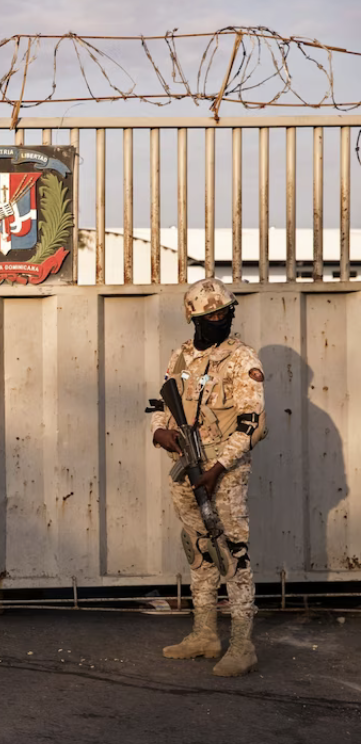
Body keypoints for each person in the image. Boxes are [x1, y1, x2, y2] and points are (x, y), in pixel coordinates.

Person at [150, 278, 267, 677]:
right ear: (194, 319)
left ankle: (241, 644)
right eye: (211, 315)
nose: (220, 320)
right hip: (186, 464)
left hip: (224, 470)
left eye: (225, 313)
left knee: (232, 553)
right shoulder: (181, 356)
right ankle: (204, 633)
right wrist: (159, 432)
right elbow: (161, 401)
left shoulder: (241, 358)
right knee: (198, 548)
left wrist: (218, 468)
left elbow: (252, 424)